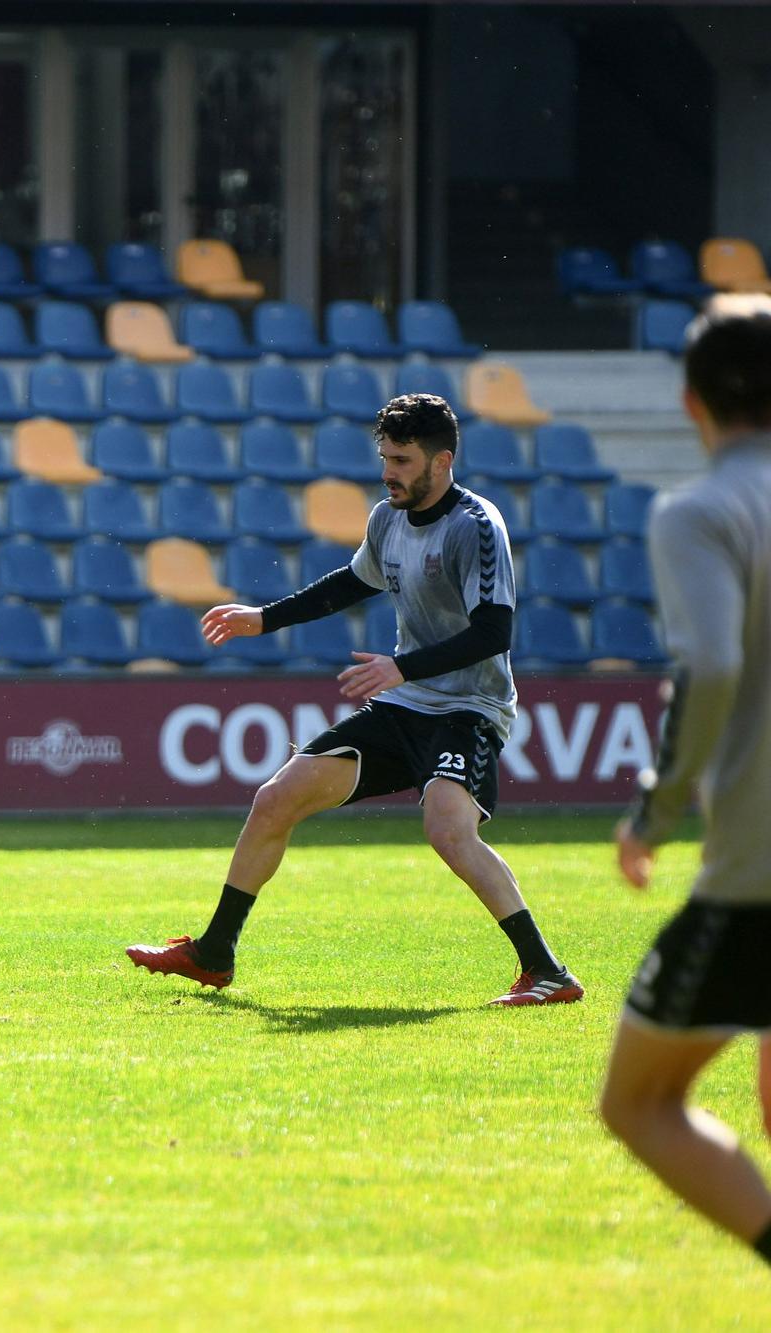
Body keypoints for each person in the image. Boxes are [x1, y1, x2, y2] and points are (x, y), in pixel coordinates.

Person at [126, 393, 582, 1007]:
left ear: (441, 461)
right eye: (385, 458)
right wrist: (264, 619)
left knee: (448, 831)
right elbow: (352, 582)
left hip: (469, 708)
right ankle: (215, 951)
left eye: (401, 459)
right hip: (405, 703)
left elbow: (494, 633)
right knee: (274, 799)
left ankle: (547, 971)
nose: (388, 472)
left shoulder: (477, 526)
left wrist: (401, 667)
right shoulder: (387, 518)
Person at [598, 295, 771, 1270]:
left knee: (637, 1101)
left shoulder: (698, 510)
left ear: (689, 403)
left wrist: (654, 813)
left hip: (754, 869)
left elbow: (705, 668)